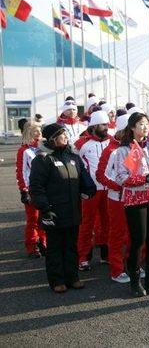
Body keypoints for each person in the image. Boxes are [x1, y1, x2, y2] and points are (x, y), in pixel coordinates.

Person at [29, 123, 96, 293]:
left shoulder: (73, 157)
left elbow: (83, 178)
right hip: (53, 212)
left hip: (73, 210)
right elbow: (36, 188)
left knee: (71, 246)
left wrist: (89, 189)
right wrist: (44, 208)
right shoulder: (43, 159)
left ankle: (72, 277)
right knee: (55, 248)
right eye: (62, 135)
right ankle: (57, 280)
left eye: (66, 134)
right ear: (52, 139)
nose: (66, 137)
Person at [113, 112, 149, 297]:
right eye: (140, 124)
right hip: (136, 198)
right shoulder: (123, 150)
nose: (144, 127)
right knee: (138, 240)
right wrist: (144, 178)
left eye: (146, 124)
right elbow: (122, 177)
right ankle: (135, 280)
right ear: (132, 127)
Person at [96, 113, 133, 283]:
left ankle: (133, 265)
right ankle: (117, 269)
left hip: (136, 197)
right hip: (117, 198)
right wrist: (119, 186)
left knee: (134, 233)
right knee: (117, 234)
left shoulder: (135, 147)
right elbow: (101, 175)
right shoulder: (111, 149)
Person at [75, 110, 112, 271]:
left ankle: (106, 254)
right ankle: (83, 257)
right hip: (91, 190)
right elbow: (76, 166)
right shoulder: (81, 143)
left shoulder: (112, 141)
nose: (106, 128)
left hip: (109, 188)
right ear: (94, 126)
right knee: (86, 224)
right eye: (103, 125)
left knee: (107, 223)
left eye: (107, 124)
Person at [16, 120, 47, 258]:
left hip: (45, 189)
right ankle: (32, 246)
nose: (39, 133)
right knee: (33, 220)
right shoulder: (24, 150)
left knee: (45, 217)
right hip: (32, 190)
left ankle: (43, 242)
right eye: (36, 131)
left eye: (40, 130)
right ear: (29, 132)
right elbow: (21, 172)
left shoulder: (44, 148)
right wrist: (24, 190)